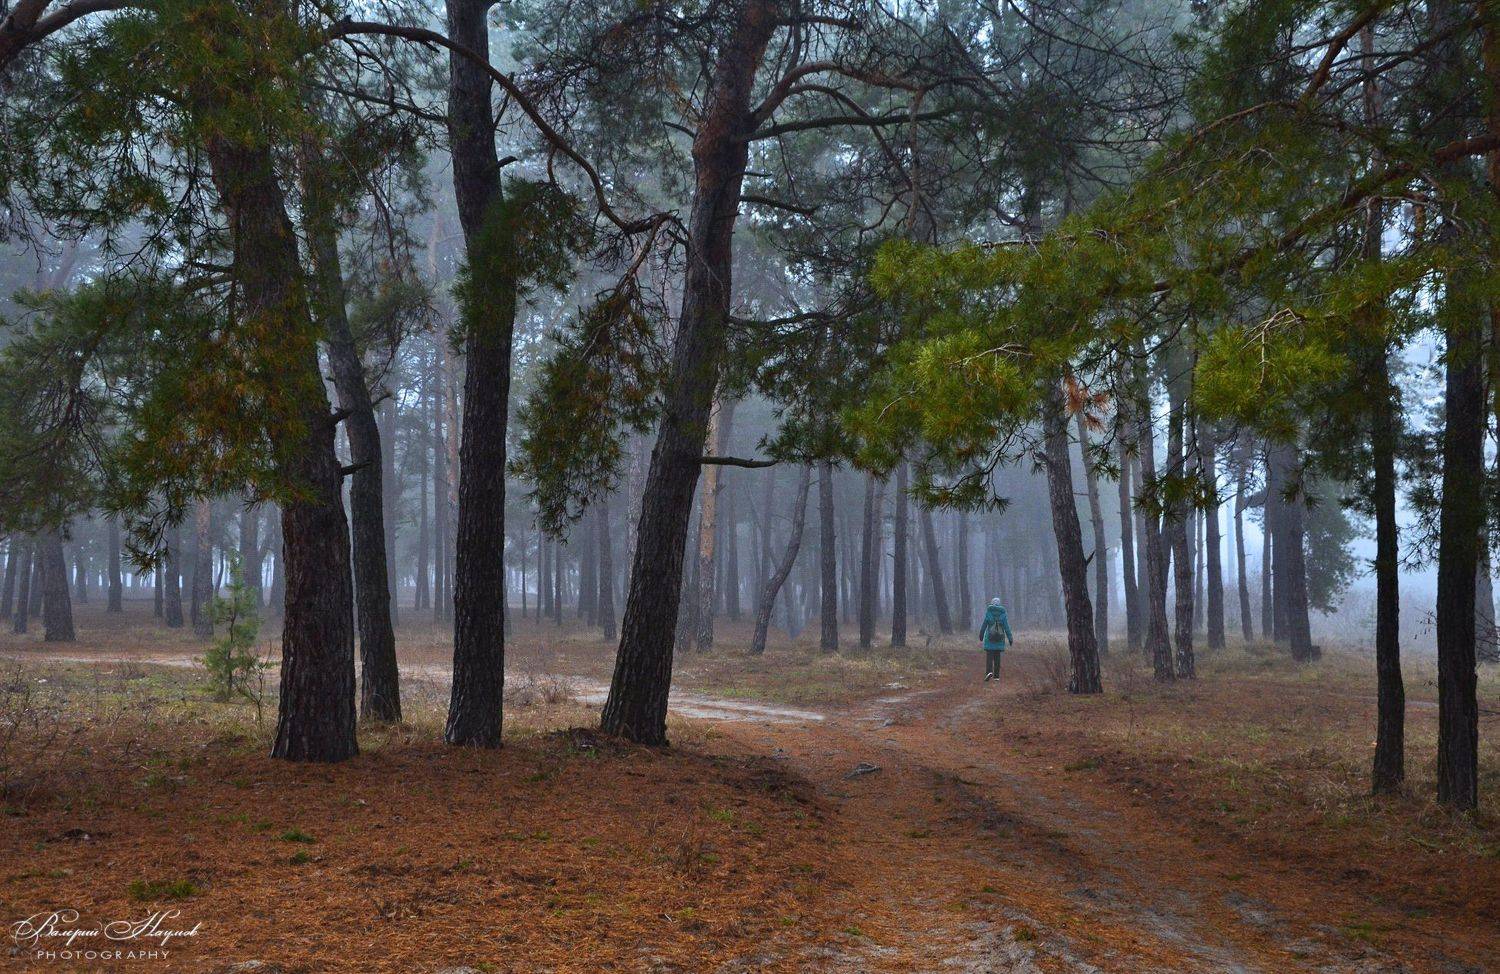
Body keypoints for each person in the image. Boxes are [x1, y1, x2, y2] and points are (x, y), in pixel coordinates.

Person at [977, 598, 1013, 683]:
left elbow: (984, 626)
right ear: (999, 604)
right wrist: (1010, 638)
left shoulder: (989, 613)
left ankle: (989, 672)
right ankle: (996, 676)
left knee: (989, 657)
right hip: (999, 639)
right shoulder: (1003, 614)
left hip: (989, 639)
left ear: (992, 603)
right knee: (997, 658)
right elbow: (1007, 628)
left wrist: (981, 635)